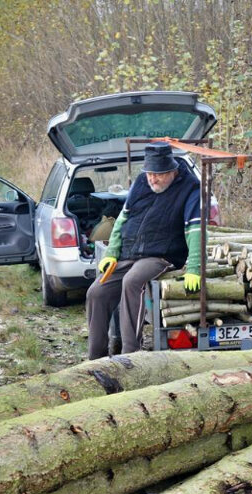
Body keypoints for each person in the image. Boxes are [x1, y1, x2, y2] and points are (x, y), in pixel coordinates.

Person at [85, 142, 203, 358]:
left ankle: (131, 354)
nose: (152, 179)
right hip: (129, 252)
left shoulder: (190, 187)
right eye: (149, 173)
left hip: (162, 254)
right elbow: (122, 218)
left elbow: (194, 228)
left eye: (157, 175)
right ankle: (95, 359)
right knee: (96, 292)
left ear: (171, 171)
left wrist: (194, 267)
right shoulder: (142, 182)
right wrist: (112, 252)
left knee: (132, 281)